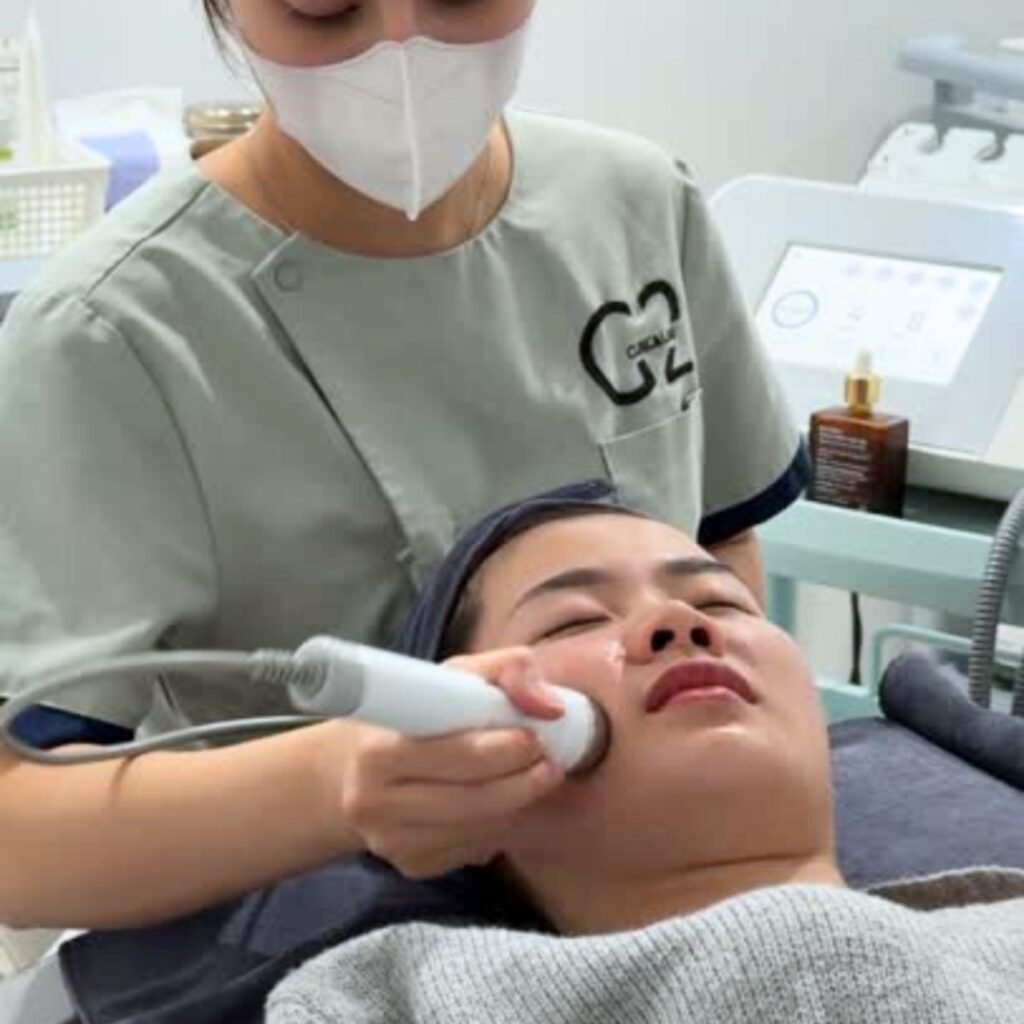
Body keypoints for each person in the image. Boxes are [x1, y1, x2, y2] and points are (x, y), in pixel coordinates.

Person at [0, 0, 806, 930]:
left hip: (667, 901)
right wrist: (331, 784)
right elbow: (16, 836)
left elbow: (721, 537)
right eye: (323, 4)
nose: (400, 48)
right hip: (322, 937)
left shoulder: (637, 205)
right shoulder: (113, 335)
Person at [266, 503, 1024, 1024]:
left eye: (722, 604)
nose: (678, 622)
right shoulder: (387, 995)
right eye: (575, 621)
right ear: (462, 756)